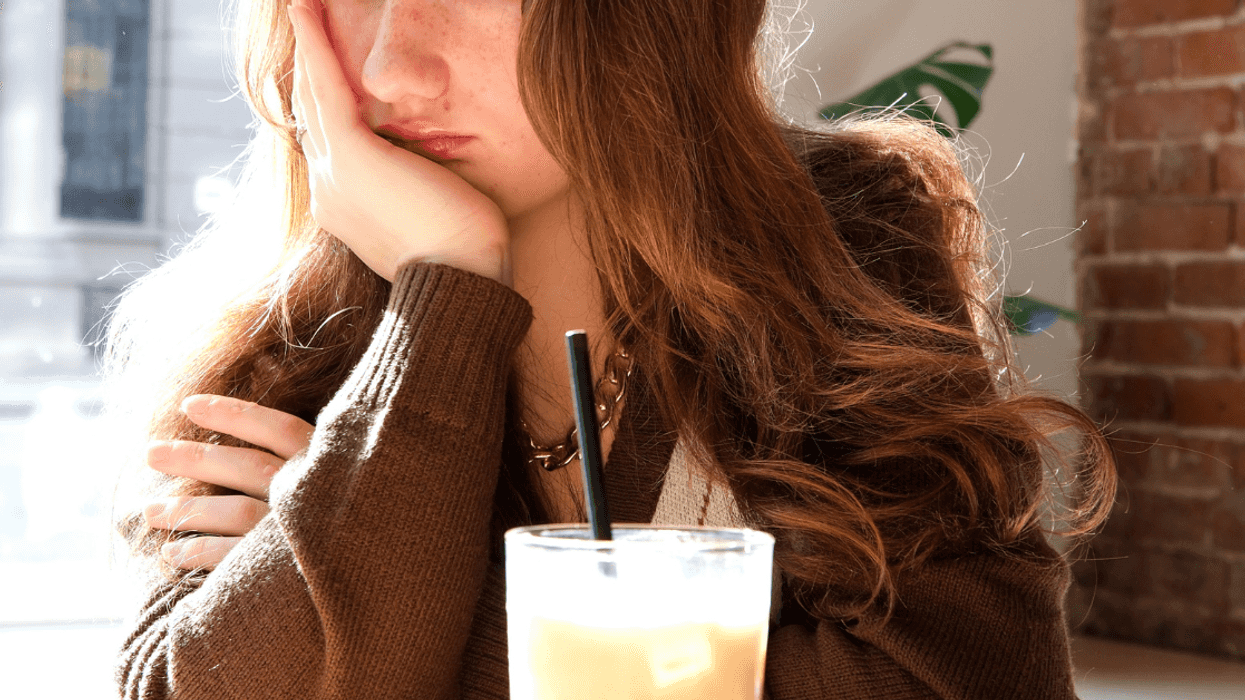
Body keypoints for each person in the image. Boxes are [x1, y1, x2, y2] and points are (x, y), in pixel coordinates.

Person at [109, 0, 1115, 697]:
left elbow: (968, 684)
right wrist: (445, 294)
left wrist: (396, 598)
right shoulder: (278, 360)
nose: (389, 67)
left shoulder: (843, 242)